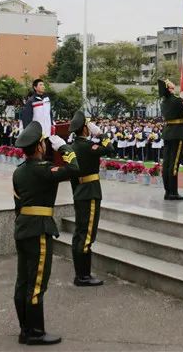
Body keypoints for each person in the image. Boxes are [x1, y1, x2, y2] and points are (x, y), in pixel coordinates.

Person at [12, 121, 80, 346]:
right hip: (39, 229)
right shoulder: (43, 169)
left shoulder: (18, 172)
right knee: (37, 282)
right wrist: (64, 147)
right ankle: (35, 332)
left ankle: (25, 329)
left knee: (23, 281)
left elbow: (17, 204)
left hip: (23, 227)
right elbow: (74, 169)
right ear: (40, 146)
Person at [69, 111, 114, 287]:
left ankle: (80, 273)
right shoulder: (88, 146)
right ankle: (83, 276)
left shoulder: (71, 147)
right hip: (90, 193)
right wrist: (101, 134)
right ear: (85, 129)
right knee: (87, 235)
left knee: (79, 233)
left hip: (79, 192)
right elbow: (110, 149)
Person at [158, 79, 183, 201]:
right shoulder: (176, 100)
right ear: (169, 89)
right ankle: (173, 192)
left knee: (167, 163)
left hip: (168, 132)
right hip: (177, 132)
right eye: (170, 85)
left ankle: (168, 191)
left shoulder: (163, 102)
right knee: (174, 163)